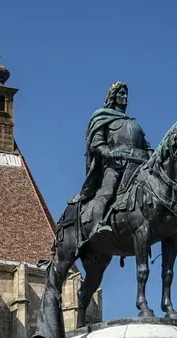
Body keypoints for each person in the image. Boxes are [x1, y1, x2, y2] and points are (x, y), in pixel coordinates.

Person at [71, 82, 153, 241]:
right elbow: (96, 142)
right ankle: (96, 227)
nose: (125, 97)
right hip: (116, 164)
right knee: (106, 192)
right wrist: (108, 152)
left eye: (126, 94)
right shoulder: (103, 118)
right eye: (121, 94)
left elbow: (146, 145)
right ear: (113, 97)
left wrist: (152, 155)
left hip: (139, 165)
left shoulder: (134, 124)